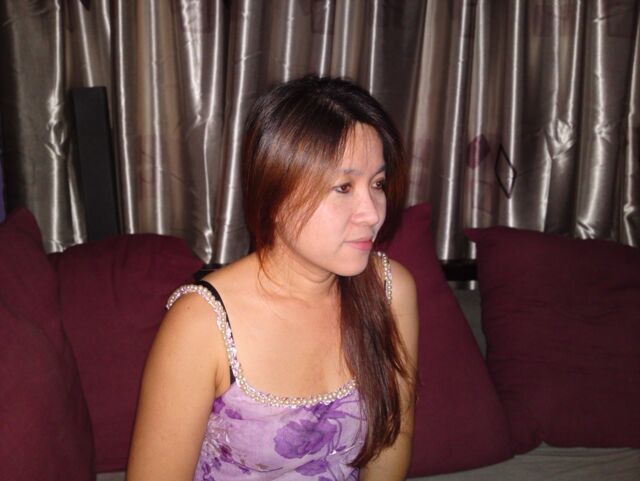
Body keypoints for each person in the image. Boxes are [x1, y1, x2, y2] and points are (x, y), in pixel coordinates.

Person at [127, 75, 418, 481]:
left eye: (377, 184)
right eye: (343, 187)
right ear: (277, 194)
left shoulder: (389, 290)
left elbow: (391, 445)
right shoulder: (202, 323)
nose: (372, 213)